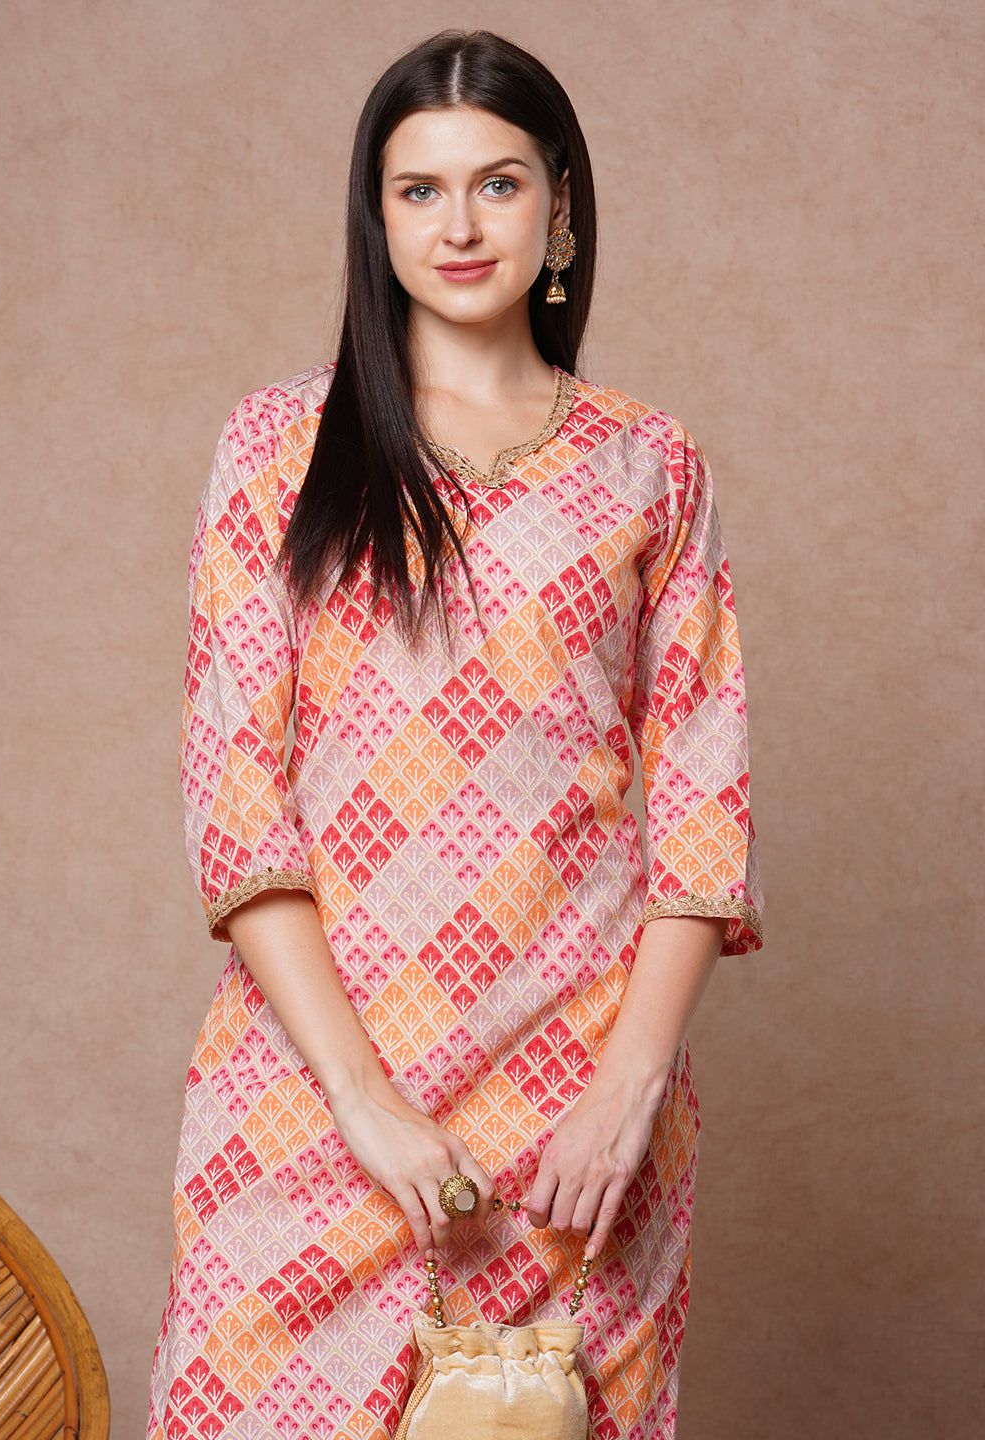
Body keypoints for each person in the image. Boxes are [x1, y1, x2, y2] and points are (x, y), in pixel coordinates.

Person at [147, 29, 762, 1440]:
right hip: (316, 1090)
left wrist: (628, 1093)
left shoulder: (648, 466)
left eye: (498, 183)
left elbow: (704, 805)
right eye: (418, 190)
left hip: (573, 1125)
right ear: (375, 220)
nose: (460, 225)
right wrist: (364, 1103)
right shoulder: (280, 448)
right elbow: (239, 803)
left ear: (560, 206)